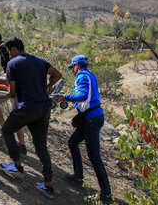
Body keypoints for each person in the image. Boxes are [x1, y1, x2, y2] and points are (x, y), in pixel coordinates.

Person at [0, 37, 62, 199]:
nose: (8, 55)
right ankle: (48, 186)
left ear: (13, 49)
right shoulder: (40, 61)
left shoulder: (12, 64)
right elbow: (57, 75)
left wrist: (10, 92)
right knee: (41, 145)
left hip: (27, 107)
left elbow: (12, 93)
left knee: (6, 130)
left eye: (8, 51)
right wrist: (46, 87)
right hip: (44, 107)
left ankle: (17, 167)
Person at [55, 55, 112, 203]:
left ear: (77, 65)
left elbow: (83, 96)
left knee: (94, 156)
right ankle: (78, 177)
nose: (72, 70)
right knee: (72, 142)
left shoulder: (82, 75)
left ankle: (106, 194)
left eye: (72, 67)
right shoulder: (89, 75)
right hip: (92, 117)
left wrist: (65, 97)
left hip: (91, 120)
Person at [0, 28, 26, 155]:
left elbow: (9, 70)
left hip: (13, 85)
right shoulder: (7, 47)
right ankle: (22, 145)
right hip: (21, 84)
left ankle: (5, 131)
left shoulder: (2, 49)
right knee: (17, 114)